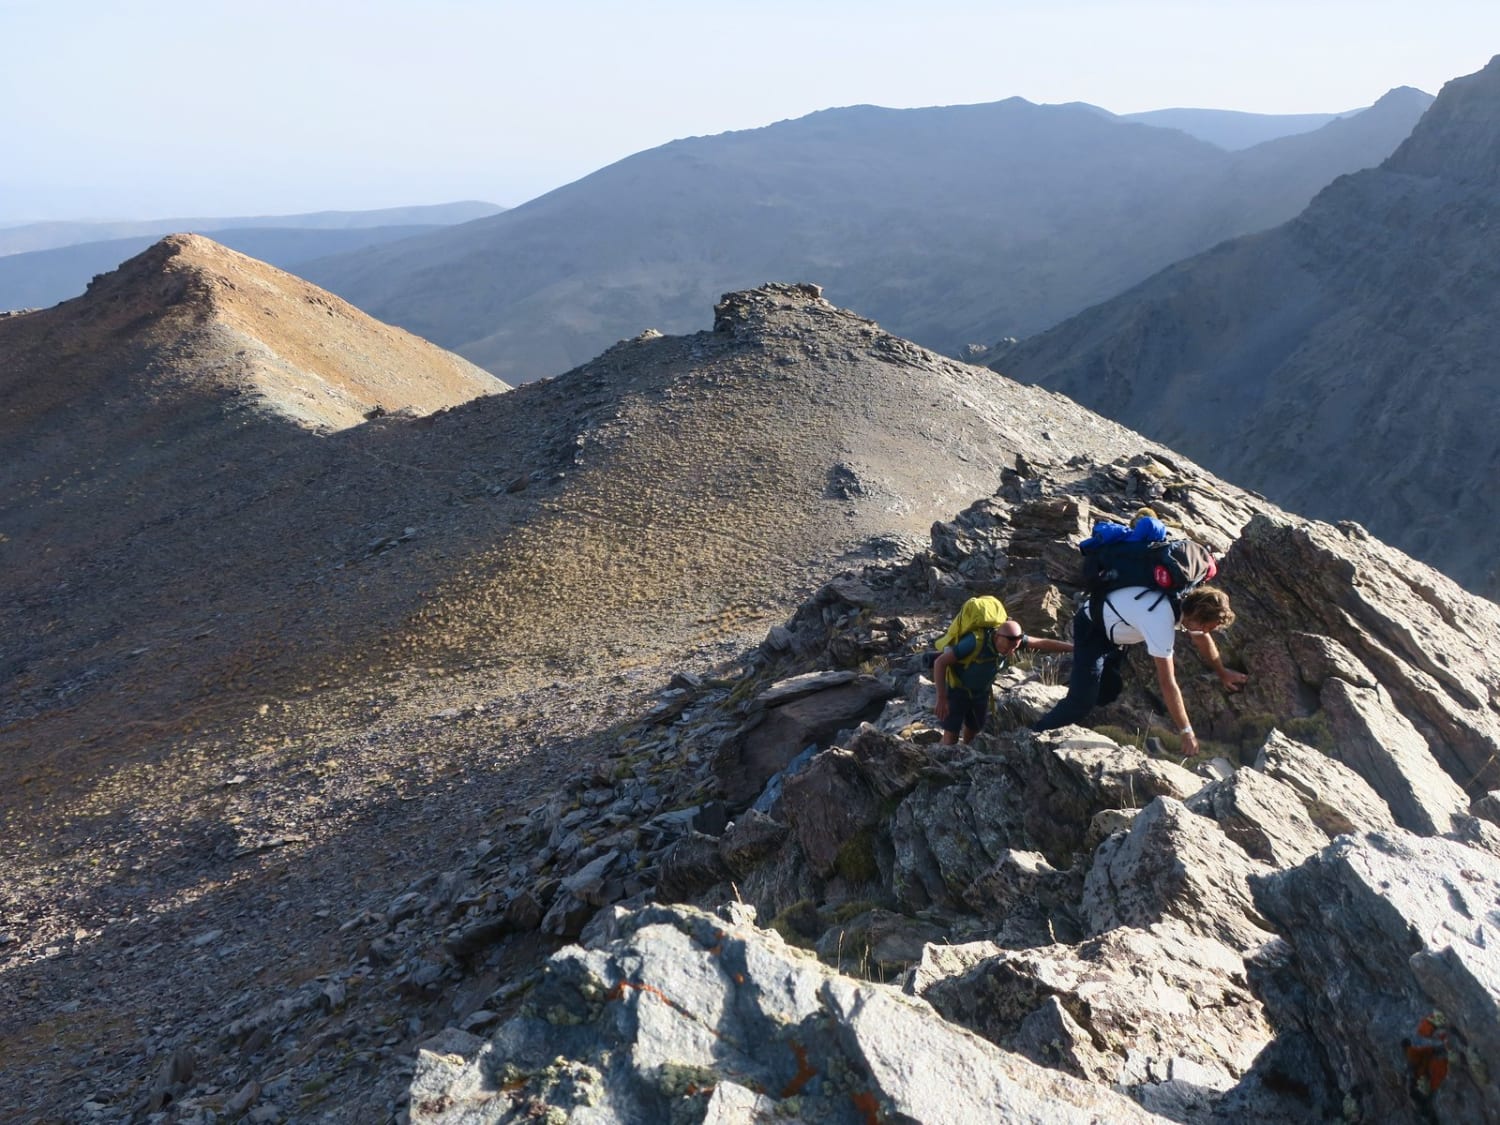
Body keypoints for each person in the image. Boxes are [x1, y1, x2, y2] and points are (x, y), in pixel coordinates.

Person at [1031, 584, 1247, 756]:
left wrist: (1222, 672)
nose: (1207, 631)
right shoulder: (1160, 619)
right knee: (1081, 701)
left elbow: (1202, 638)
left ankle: (1082, 697)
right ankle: (1034, 737)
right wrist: (1186, 732)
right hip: (1092, 628)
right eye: (1207, 626)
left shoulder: (1183, 599)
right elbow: (1167, 682)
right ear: (1197, 616)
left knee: (1110, 689)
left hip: (1118, 628)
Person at [934, 619, 1073, 744]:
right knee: (950, 738)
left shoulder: (1013, 639)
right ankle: (938, 761)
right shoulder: (974, 642)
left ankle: (962, 761)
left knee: (973, 736)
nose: (1011, 652)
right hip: (958, 692)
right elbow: (940, 662)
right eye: (1007, 648)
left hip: (981, 695)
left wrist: (1073, 648)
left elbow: (1042, 643)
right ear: (996, 637)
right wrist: (941, 697)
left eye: (1015, 648)